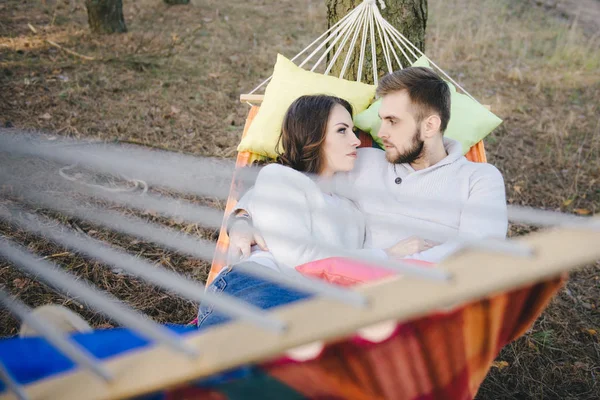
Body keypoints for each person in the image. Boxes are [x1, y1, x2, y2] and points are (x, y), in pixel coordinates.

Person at [229, 66, 508, 264]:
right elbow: (290, 185)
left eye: (392, 122)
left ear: (430, 125)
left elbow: (480, 253)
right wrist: (241, 218)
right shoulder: (363, 161)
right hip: (357, 297)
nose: (381, 132)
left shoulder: (478, 178)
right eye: (381, 119)